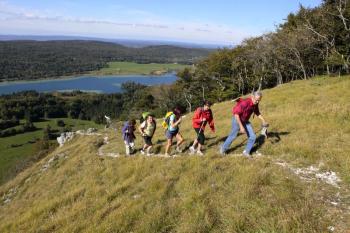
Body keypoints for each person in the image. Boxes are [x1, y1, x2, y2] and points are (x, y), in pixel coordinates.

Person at [220, 91, 268, 158]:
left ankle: (246, 152)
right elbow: (236, 115)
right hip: (237, 119)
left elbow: (257, 112)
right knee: (233, 135)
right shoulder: (245, 103)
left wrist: (263, 121)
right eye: (256, 100)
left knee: (252, 137)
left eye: (259, 101)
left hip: (245, 120)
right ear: (252, 97)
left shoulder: (255, 103)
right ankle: (223, 149)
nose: (257, 102)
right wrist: (241, 127)